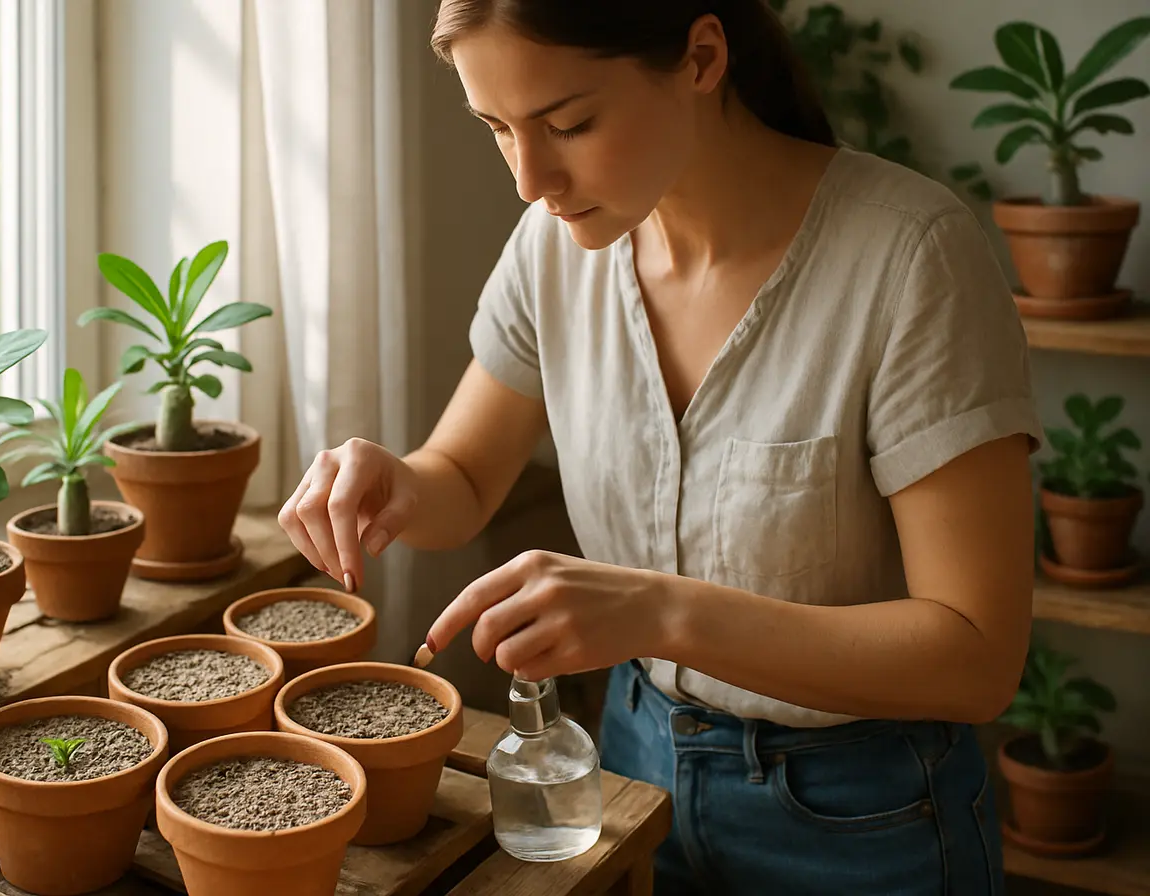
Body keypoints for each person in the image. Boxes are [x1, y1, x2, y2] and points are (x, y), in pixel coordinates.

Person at [278, 1, 1041, 893]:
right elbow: (463, 476)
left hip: (862, 813)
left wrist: (660, 613)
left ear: (702, 56)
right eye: (496, 128)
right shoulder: (552, 248)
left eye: (569, 123)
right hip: (631, 766)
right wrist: (392, 480)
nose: (529, 178)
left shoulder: (911, 257)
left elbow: (977, 659)